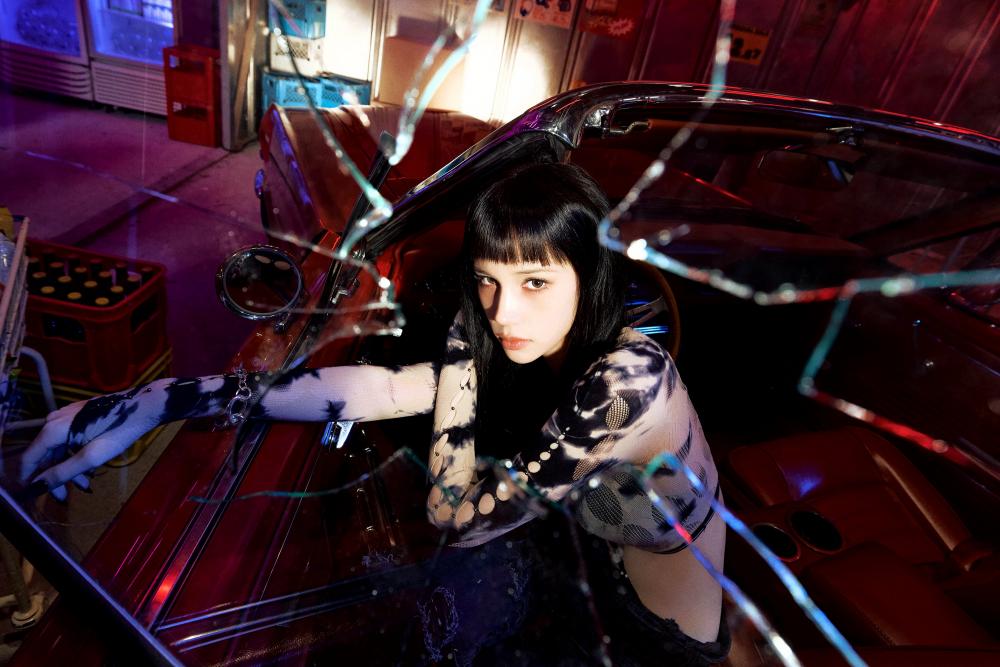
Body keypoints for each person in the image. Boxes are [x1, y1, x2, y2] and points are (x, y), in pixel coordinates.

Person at [20, 161, 728, 665]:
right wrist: (158, 400)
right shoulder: (529, 340)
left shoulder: (631, 382)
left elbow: (456, 517)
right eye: (487, 280)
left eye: (535, 281)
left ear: (590, 274)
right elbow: (377, 389)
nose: (504, 311)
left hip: (654, 642)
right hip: (579, 580)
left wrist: (461, 356)